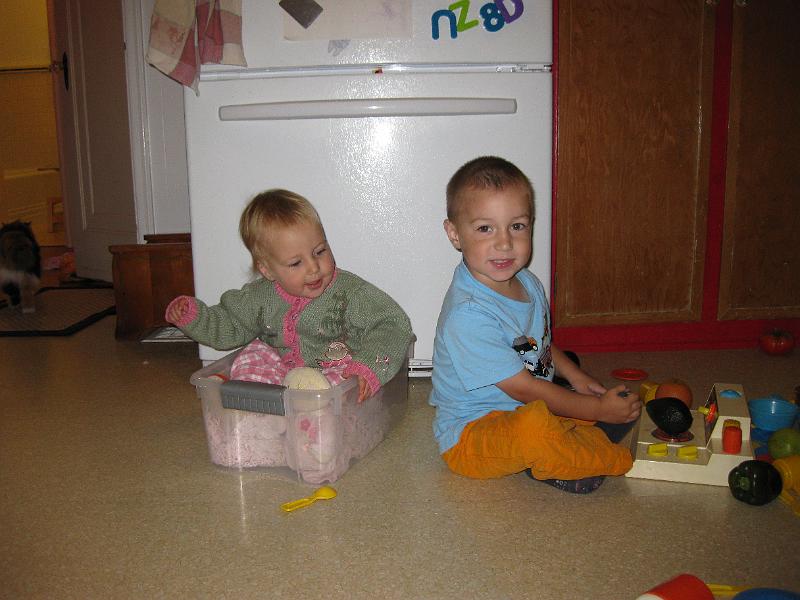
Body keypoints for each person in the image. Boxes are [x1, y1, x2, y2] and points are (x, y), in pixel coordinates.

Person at [429, 157, 641, 493]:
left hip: (526, 405)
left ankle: (574, 434)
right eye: (485, 228)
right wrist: (597, 408)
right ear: (455, 234)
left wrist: (575, 376)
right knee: (535, 428)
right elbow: (524, 389)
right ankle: (581, 452)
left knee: (556, 408)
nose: (504, 243)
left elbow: (534, 343)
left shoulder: (527, 283)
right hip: (473, 434)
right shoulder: (467, 315)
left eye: (517, 226)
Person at [166, 189, 413, 401]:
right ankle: (261, 417)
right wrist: (193, 316)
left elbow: (392, 322)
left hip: (335, 368)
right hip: (281, 369)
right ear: (267, 269)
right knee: (251, 356)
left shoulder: (350, 293)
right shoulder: (258, 297)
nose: (314, 268)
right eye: (296, 263)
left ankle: (318, 428)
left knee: (338, 388)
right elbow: (230, 325)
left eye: (320, 251)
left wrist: (367, 367)